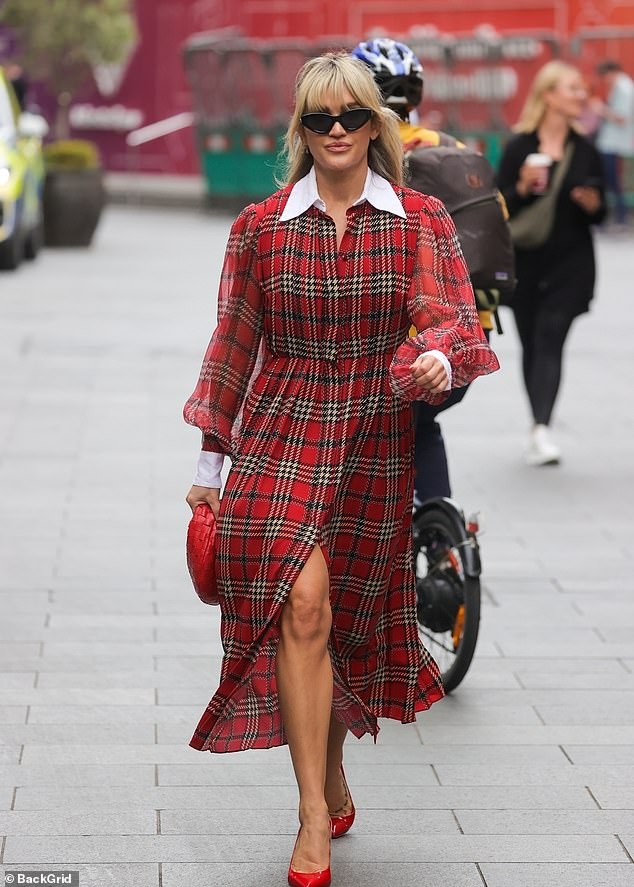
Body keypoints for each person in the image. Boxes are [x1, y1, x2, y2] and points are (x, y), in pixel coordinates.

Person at [184, 52, 499, 887]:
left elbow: (450, 319)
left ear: (374, 125)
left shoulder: (419, 219)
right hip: (281, 433)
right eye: (318, 119)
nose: (334, 132)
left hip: (371, 437)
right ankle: (312, 815)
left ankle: (328, 767)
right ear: (301, 129)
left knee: (342, 618)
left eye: (350, 117)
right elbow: (232, 344)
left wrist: (435, 358)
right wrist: (210, 461)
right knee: (304, 602)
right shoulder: (260, 226)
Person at [351, 37, 505, 502]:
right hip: (472, 330)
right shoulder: (456, 149)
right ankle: (440, 528)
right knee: (425, 423)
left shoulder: (368, 153)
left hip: (405, 333)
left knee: (379, 433)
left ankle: (400, 527)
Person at [497, 61, 606, 465]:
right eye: (573, 88)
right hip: (525, 262)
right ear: (549, 96)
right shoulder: (520, 145)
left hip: (571, 263)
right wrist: (522, 187)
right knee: (531, 342)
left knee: (551, 335)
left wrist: (593, 204)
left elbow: (600, 210)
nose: (581, 95)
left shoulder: (586, 148)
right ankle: (537, 424)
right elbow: (498, 204)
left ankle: (541, 428)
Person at [592, 60, 634, 226]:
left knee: (615, 181)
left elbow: (621, 118)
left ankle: (620, 215)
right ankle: (619, 215)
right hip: (613, 143)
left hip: (616, 144)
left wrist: (601, 109)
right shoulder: (622, 87)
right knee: (613, 181)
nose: (605, 80)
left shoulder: (623, 88)